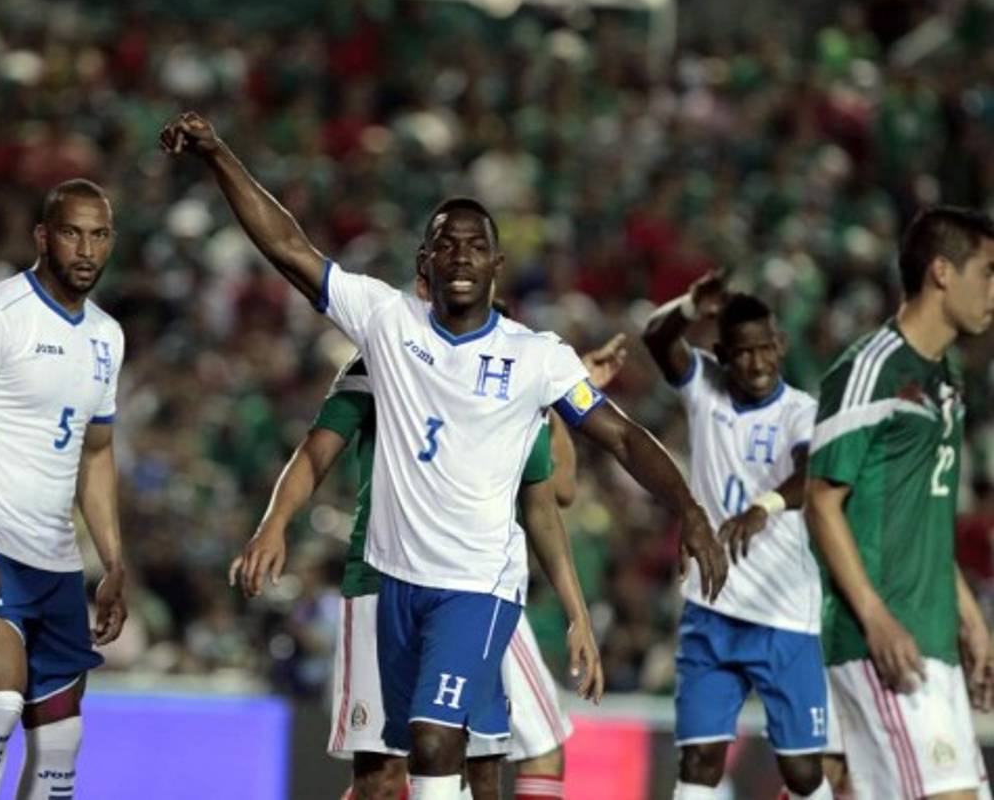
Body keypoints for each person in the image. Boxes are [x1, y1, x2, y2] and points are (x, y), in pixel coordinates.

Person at [163, 111, 727, 800]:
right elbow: (289, 247)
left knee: (440, 741)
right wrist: (220, 153)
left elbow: (621, 437)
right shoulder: (385, 323)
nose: (460, 255)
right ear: (423, 262)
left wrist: (688, 507)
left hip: (477, 586)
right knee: (398, 769)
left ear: (497, 263)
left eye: (475, 246)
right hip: (392, 583)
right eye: (445, 244)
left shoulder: (535, 357)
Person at [231, 331, 626, 800]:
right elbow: (319, 444)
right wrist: (275, 520)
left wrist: (558, 397)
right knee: (383, 775)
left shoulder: (513, 369)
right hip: (381, 576)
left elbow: (555, 491)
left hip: (475, 584)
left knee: (486, 759)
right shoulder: (385, 357)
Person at [0, 178, 128, 800]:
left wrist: (114, 560)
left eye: (98, 235)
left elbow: (94, 454)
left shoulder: (107, 337)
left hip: (56, 560)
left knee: (62, 735)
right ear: (43, 236)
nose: (85, 249)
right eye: (71, 233)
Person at [806, 205, 994, 800]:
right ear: (942, 271)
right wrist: (876, 616)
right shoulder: (871, 368)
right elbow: (821, 502)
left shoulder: (946, 378)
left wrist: (967, 614)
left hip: (930, 636)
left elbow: (924, 516)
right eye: (988, 271)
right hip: (882, 641)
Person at [643, 274, 831, 800]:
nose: (757, 363)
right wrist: (688, 305)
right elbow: (656, 338)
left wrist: (763, 507)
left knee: (801, 774)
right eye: (744, 352)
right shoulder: (703, 385)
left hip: (785, 612)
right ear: (723, 353)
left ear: (781, 346)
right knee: (699, 761)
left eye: (766, 349)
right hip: (712, 608)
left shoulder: (800, 410)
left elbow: (810, 470)